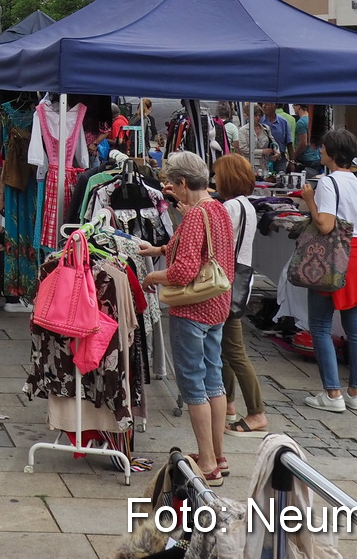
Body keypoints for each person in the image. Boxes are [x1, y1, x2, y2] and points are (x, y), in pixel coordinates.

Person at [138, 151, 234, 485]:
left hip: (192, 309)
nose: (170, 191)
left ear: (183, 182)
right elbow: (210, 254)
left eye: (172, 186)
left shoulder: (195, 216)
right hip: (218, 304)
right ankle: (219, 456)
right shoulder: (218, 208)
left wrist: (152, 278)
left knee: (193, 383)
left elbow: (183, 272)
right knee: (214, 381)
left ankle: (206, 463)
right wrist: (161, 250)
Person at [298, 127, 357, 412]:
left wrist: (309, 200)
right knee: (355, 328)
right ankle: (356, 390)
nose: (320, 151)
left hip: (333, 257)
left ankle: (332, 394)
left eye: (323, 148)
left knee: (319, 325)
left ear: (332, 153)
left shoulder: (328, 183)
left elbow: (326, 225)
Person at [214, 153, 267, 433]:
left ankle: (256, 411)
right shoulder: (246, 206)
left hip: (226, 282)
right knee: (226, 348)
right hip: (237, 279)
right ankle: (230, 403)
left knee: (234, 350)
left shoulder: (231, 207)